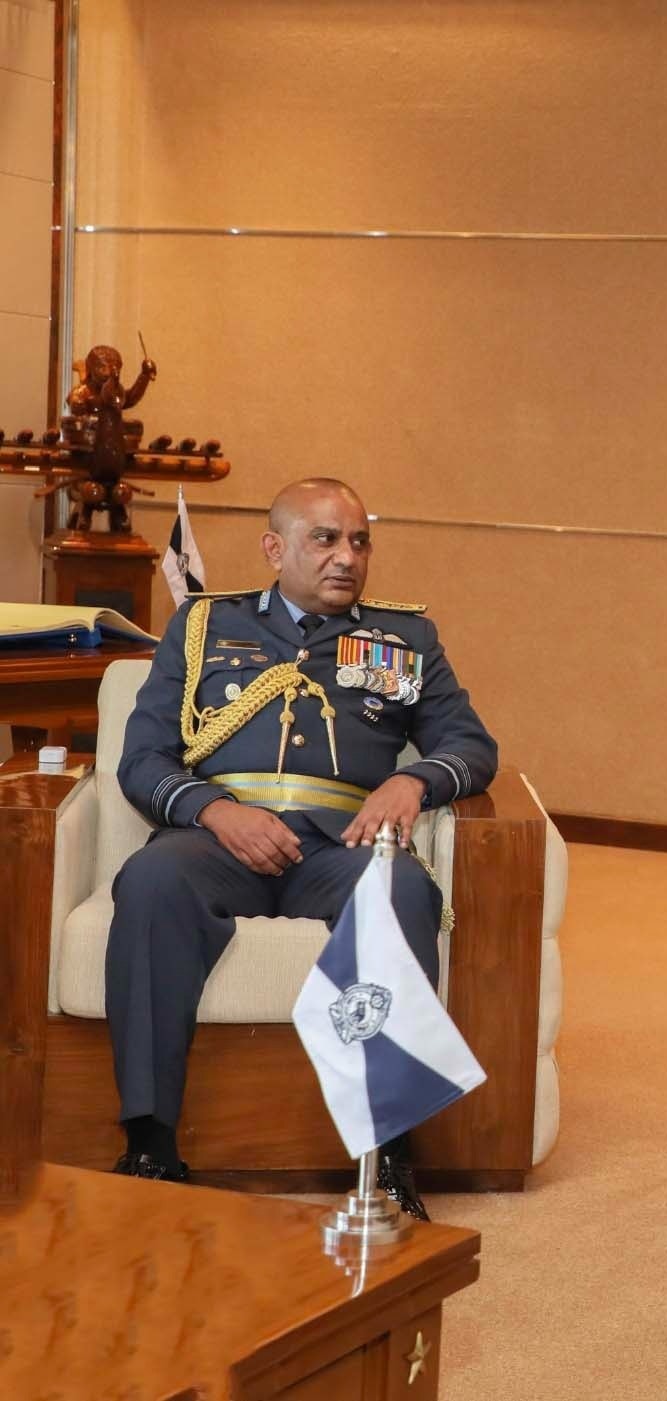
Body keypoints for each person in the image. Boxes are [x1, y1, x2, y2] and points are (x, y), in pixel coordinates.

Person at [108, 477, 498, 1220]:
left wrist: (412, 781)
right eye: (324, 538)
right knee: (152, 878)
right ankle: (150, 1145)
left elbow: (471, 746)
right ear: (274, 547)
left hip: (341, 846)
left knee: (400, 889)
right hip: (218, 841)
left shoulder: (405, 639)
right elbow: (144, 759)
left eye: (359, 541)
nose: (346, 556)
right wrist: (215, 810)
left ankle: (386, 1158)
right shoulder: (204, 625)